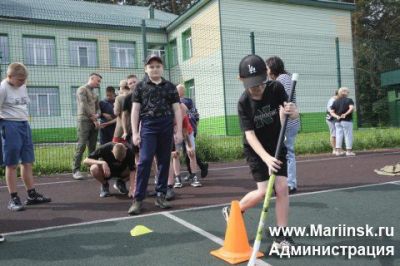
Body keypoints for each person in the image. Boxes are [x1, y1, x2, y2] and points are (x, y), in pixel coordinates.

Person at [222, 55, 298, 250]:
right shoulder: (243, 103)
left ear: (267, 75)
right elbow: (249, 135)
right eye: (251, 84)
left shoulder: (276, 88)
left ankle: (281, 236)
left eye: (260, 83)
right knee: (264, 192)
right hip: (256, 150)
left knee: (282, 188)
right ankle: (234, 211)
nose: (256, 88)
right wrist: (265, 158)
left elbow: (289, 113)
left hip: (276, 144)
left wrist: (293, 112)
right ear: (241, 80)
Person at [128, 54, 182, 215]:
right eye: (151, 66)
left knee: (164, 161)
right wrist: (135, 133)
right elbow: (135, 110)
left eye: (158, 66)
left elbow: (177, 109)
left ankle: (161, 195)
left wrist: (178, 131)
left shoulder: (170, 86)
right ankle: (138, 199)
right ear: (146, 69)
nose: (155, 69)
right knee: (144, 161)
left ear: (162, 68)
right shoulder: (140, 87)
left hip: (166, 126)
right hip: (148, 127)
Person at [0, 62, 51, 211]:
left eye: (24, 79)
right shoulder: (2, 88)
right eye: (20, 80)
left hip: (24, 124)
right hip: (9, 125)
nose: (23, 82)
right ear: (9, 76)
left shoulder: (22, 85)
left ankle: (32, 195)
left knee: (28, 162)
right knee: (11, 164)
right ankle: (13, 199)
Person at [266, 56, 300, 194]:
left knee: (287, 152)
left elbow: (284, 105)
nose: (265, 70)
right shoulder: (284, 78)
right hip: (288, 122)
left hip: (287, 122)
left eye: (267, 67)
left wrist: (281, 128)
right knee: (283, 152)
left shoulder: (282, 80)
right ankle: (284, 182)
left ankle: (290, 184)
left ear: (272, 68)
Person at [72, 73, 102, 180]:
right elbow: (83, 105)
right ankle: (76, 170)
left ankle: (91, 169)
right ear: (92, 78)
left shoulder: (95, 94)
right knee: (81, 145)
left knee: (92, 146)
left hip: (94, 122)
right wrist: (94, 118)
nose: (99, 84)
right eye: (98, 81)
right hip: (84, 120)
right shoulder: (82, 89)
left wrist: (97, 115)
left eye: (100, 82)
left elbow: (98, 108)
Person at [176, 84, 209, 180]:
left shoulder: (182, 101)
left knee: (189, 151)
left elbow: (191, 115)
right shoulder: (190, 101)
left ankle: (199, 168)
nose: (176, 92)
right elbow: (197, 115)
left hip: (187, 129)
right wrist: (196, 126)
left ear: (181, 91)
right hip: (190, 128)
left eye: (178, 90)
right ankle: (193, 171)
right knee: (188, 151)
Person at [330, 87, 355, 156]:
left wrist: (336, 116)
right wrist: (345, 114)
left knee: (338, 135)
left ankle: (338, 151)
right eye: (347, 92)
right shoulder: (349, 100)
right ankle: (349, 151)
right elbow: (351, 108)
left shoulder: (336, 101)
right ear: (345, 92)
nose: (348, 93)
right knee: (348, 135)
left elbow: (331, 112)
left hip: (337, 121)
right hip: (347, 120)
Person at [112, 80, 130, 144]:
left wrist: (114, 105)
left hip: (120, 129)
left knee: (116, 148)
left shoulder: (119, 98)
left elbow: (116, 113)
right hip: (132, 128)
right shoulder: (134, 96)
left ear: (121, 87)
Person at [326, 90, 339, 154]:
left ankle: (338, 149)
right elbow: (331, 111)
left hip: (335, 119)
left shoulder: (336, 100)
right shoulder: (332, 101)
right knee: (333, 134)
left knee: (337, 134)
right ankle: (334, 149)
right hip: (331, 119)